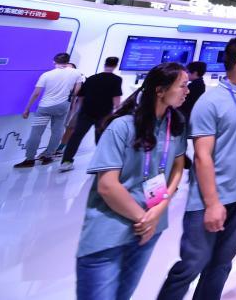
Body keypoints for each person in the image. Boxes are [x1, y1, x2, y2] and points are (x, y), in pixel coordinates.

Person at [157, 36, 236, 300]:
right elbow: (202, 156)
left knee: (222, 263)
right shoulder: (210, 102)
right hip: (210, 197)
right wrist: (213, 203)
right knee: (193, 263)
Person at [75, 62, 189, 300]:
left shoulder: (175, 125)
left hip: (149, 230)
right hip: (111, 232)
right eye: (182, 86)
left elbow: (178, 166)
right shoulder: (122, 126)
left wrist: (159, 209)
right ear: (160, 90)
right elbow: (107, 186)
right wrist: (143, 219)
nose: (187, 91)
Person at [15, 52, 84, 168]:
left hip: (45, 107)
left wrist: (27, 108)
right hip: (63, 106)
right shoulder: (76, 73)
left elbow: (36, 93)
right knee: (57, 131)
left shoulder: (46, 75)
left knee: (36, 132)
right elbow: (77, 91)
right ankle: (48, 156)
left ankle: (29, 159)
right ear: (68, 61)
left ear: (54, 61)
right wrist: (70, 101)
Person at [60, 57, 124, 172]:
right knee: (101, 139)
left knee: (76, 137)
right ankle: (101, 164)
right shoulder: (116, 79)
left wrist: (80, 110)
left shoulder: (92, 78)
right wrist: (117, 112)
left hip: (86, 113)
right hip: (104, 114)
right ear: (115, 65)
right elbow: (116, 99)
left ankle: (66, 162)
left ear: (105, 64)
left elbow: (81, 96)